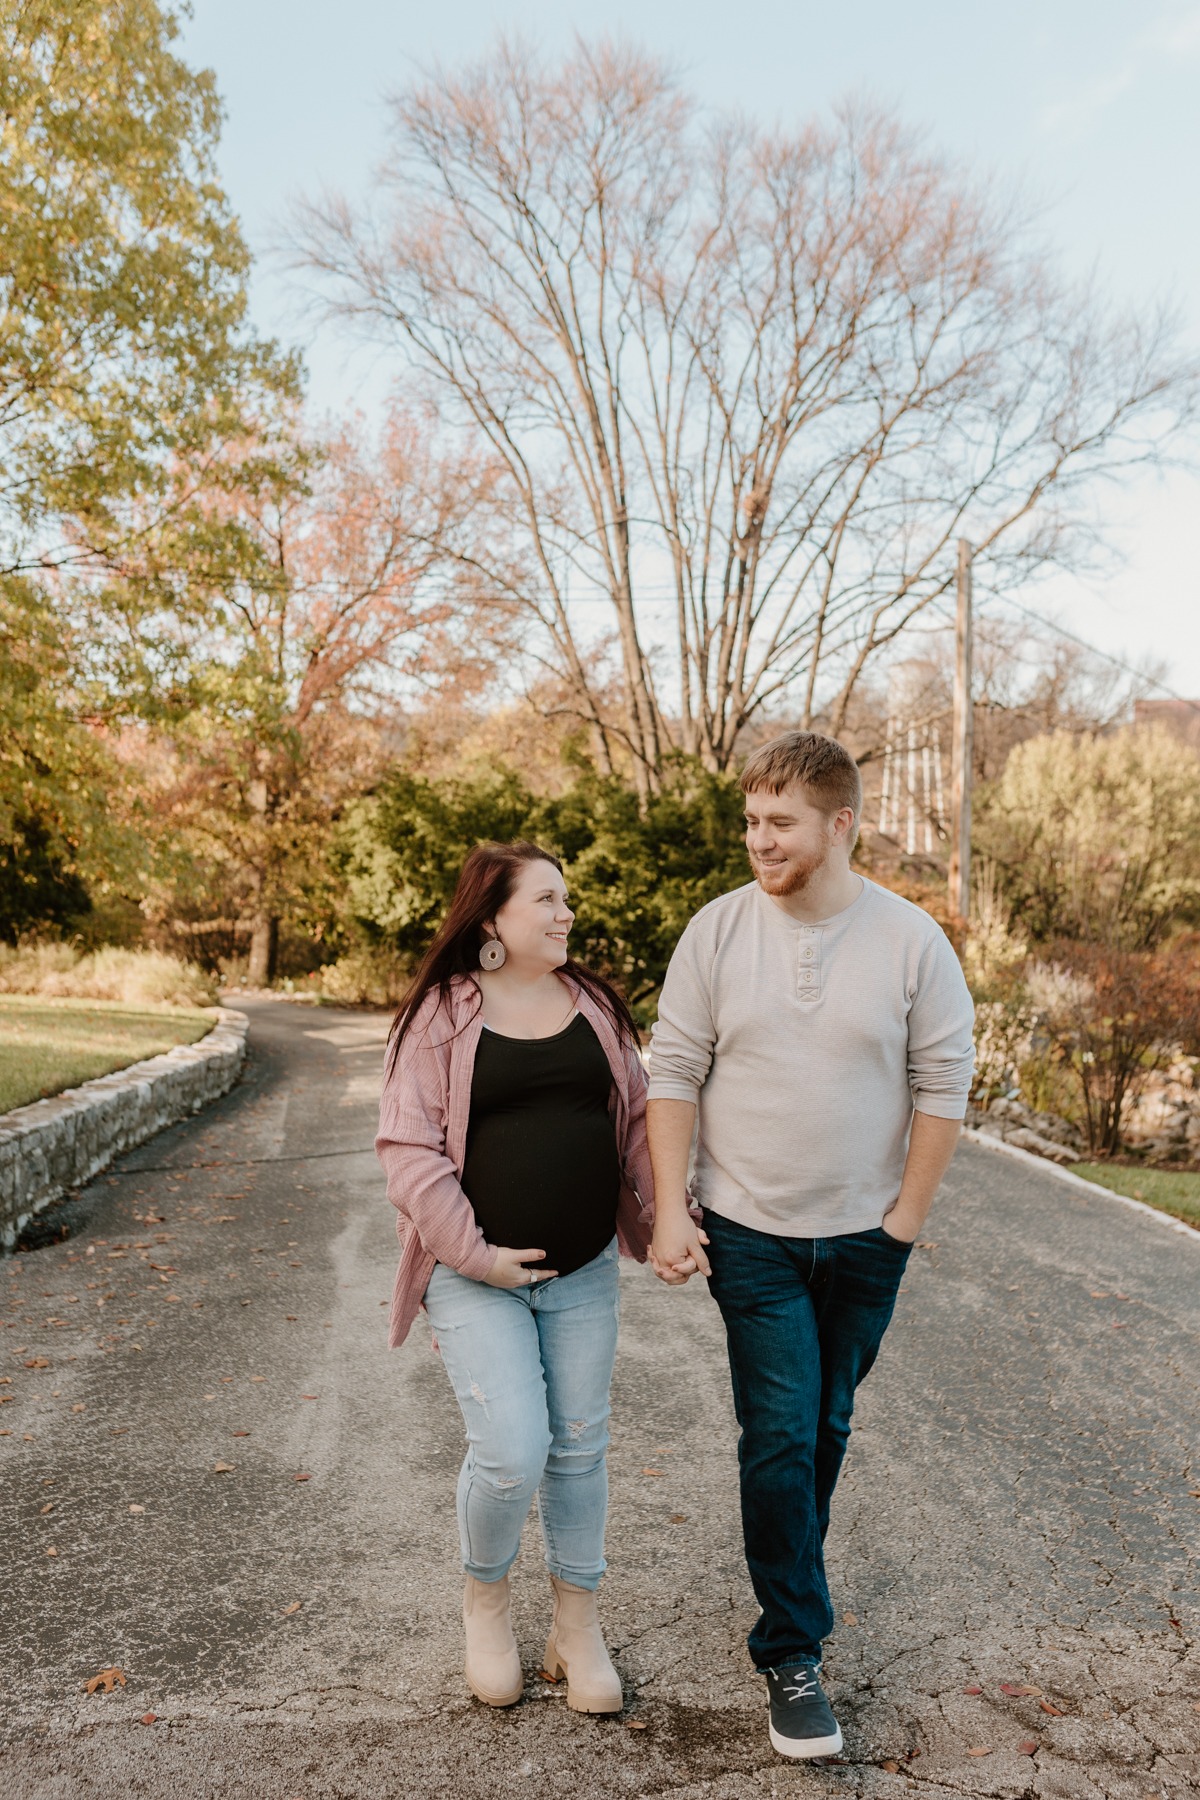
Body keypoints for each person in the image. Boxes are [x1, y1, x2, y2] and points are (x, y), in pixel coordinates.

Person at [646, 731, 975, 1761]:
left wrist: (903, 1227)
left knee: (825, 1427)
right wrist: (668, 1207)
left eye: (779, 822)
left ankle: (793, 1575)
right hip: (748, 1231)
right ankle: (794, 1649)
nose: (759, 840)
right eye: (750, 821)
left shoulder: (912, 941)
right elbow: (673, 1074)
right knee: (782, 1432)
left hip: (868, 1237)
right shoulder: (715, 934)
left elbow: (943, 1087)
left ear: (842, 823)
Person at [375, 840, 655, 1714]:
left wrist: (667, 1216)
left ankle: (576, 1628)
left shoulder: (594, 1007)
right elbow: (409, 1152)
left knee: (578, 1450)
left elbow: (641, 1121)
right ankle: (486, 1606)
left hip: (583, 1274)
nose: (566, 913)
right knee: (510, 1452)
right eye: (548, 899)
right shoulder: (443, 1016)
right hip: (474, 1276)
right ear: (492, 917)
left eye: (566, 899)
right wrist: (478, 1255)